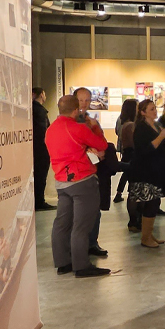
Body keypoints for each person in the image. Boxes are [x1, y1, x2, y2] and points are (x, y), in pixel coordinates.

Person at [45, 95, 111, 279]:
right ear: (75, 110)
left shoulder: (50, 130)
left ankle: (62, 262)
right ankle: (81, 265)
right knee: (81, 226)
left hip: (61, 182)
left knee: (61, 223)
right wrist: (96, 128)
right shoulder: (77, 128)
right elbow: (102, 144)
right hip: (82, 180)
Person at [128, 99, 165, 248]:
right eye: (151, 109)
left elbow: (163, 148)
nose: (155, 111)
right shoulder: (141, 127)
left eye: (155, 108)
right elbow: (144, 150)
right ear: (143, 112)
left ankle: (148, 234)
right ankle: (145, 237)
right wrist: (161, 137)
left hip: (157, 170)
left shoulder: (156, 125)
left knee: (155, 202)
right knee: (150, 203)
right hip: (145, 171)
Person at [74, 87, 111, 257]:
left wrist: (95, 131)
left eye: (87, 100)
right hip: (75, 173)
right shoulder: (69, 122)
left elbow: (102, 143)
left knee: (94, 210)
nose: (84, 104)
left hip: (92, 171)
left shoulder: (91, 121)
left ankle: (92, 243)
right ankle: (77, 247)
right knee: (75, 213)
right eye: (81, 100)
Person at [32, 87, 54, 211]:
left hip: (36, 149)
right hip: (40, 150)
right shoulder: (39, 112)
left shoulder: (33, 110)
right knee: (40, 175)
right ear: (41, 95)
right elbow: (43, 132)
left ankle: (38, 200)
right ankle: (39, 201)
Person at [113, 98, 138, 204]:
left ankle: (119, 193)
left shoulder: (121, 119)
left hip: (125, 149)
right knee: (129, 174)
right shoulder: (130, 124)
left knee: (127, 173)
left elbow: (116, 131)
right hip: (130, 151)